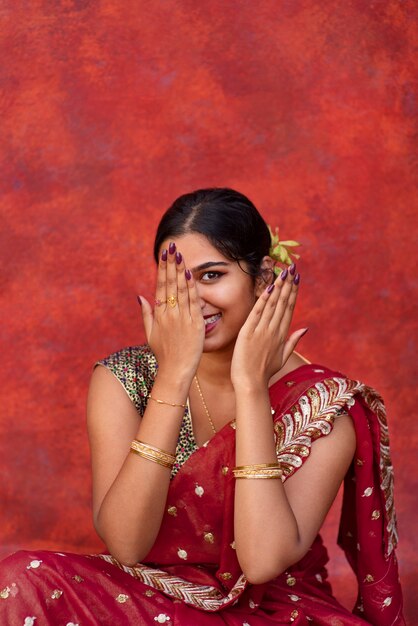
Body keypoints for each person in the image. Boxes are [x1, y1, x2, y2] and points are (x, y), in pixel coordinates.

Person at [0, 188, 404, 625]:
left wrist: (250, 387)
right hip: (149, 600)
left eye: (212, 275)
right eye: (177, 280)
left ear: (263, 278)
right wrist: (173, 375)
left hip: (274, 612)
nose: (193, 298)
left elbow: (262, 561)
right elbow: (127, 544)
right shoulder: (126, 378)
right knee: (20, 580)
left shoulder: (322, 405)